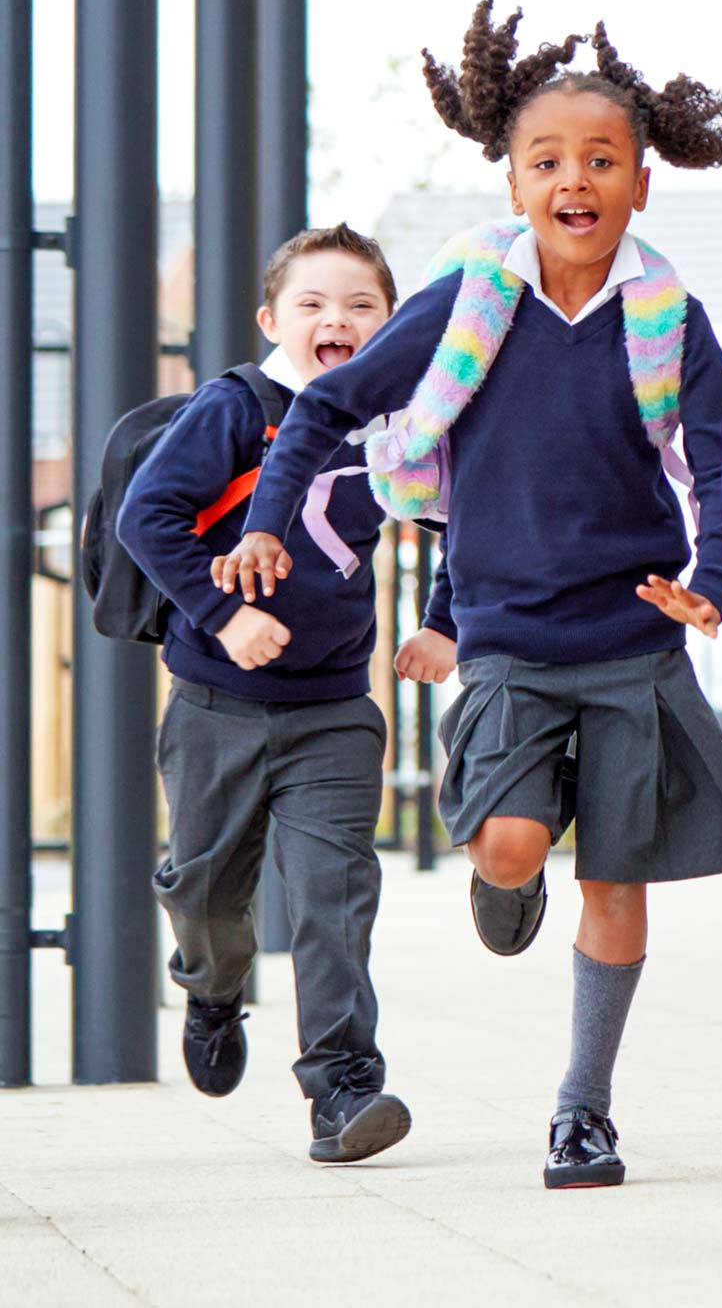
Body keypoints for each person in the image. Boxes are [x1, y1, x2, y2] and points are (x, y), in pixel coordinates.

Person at [216, 0, 722, 1189]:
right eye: (548, 161)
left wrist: (714, 575)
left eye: (602, 161)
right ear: (513, 184)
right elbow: (324, 405)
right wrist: (268, 522)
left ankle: (583, 1110)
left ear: (639, 186)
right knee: (515, 847)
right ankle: (499, 869)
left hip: (631, 636)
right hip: (509, 633)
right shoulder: (472, 302)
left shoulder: (667, 319)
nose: (576, 178)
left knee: (615, 881)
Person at [120, 224, 412, 1163]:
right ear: (271, 320)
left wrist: (446, 618)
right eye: (314, 305)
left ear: (389, 323)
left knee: (333, 896)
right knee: (206, 889)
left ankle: (342, 1090)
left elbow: (468, 512)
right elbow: (146, 517)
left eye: (362, 305)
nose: (338, 320)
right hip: (217, 704)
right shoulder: (236, 409)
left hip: (333, 709)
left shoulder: (398, 422)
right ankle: (212, 986)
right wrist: (221, 613)